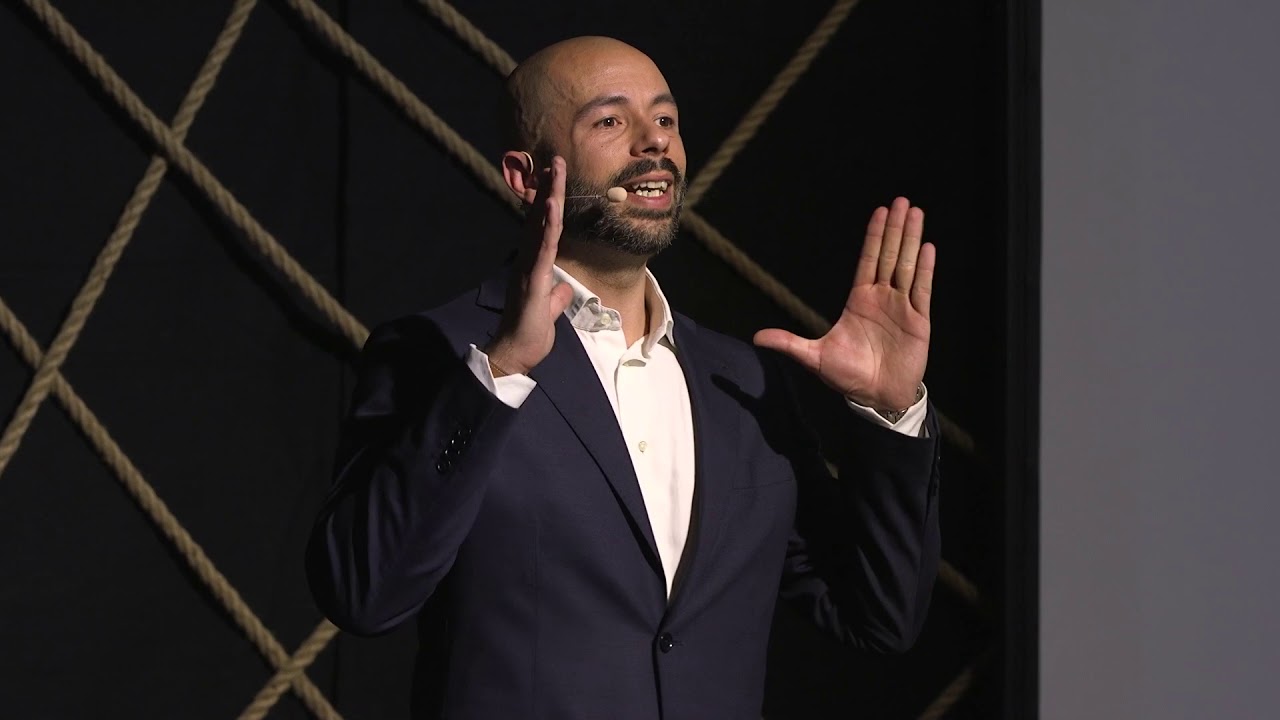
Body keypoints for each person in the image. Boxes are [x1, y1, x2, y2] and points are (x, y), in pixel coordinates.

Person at [305, 35, 941, 720]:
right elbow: (364, 595)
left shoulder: (744, 380)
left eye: (665, 119)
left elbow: (878, 617)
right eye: (611, 121)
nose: (654, 143)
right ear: (525, 176)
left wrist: (890, 412)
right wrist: (500, 374)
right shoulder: (438, 354)